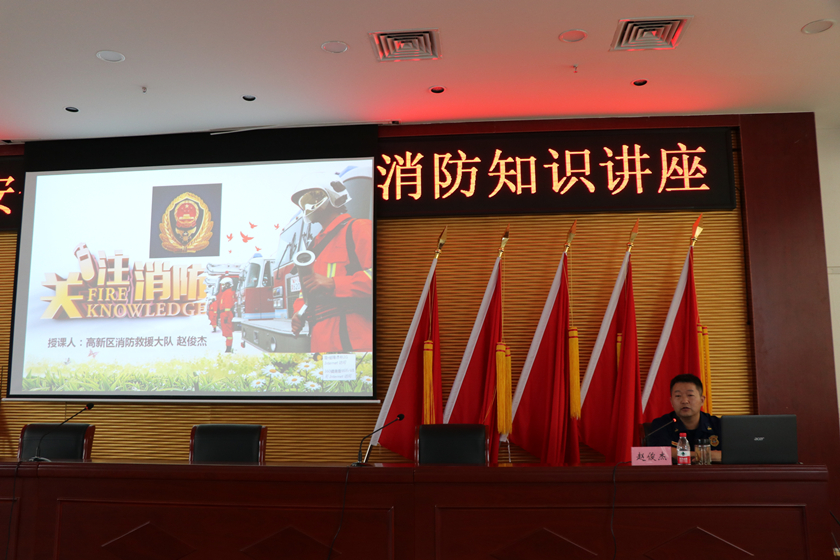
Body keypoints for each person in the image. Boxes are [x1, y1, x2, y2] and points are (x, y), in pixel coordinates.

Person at [289, 174, 372, 352]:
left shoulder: (359, 228)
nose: (307, 207)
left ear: (331, 197)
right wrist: (299, 312)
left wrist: (334, 283)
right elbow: (308, 288)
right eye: (303, 203)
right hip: (320, 338)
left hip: (352, 336)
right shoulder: (315, 244)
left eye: (311, 199)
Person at [646, 373, 722, 463]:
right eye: (678, 396)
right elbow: (657, 453)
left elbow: (732, 454)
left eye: (690, 395)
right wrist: (707, 455)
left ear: (702, 400)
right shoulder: (661, 425)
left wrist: (677, 454)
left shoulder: (719, 425)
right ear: (671, 402)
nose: (684, 401)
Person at [217, 278, 235, 353]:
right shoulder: (226, 293)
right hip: (224, 314)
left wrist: (226, 316)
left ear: (227, 285)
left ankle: (229, 348)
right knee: (226, 332)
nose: (222, 286)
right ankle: (228, 346)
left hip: (226, 314)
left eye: (223, 285)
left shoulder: (228, 293)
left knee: (228, 332)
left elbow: (227, 306)